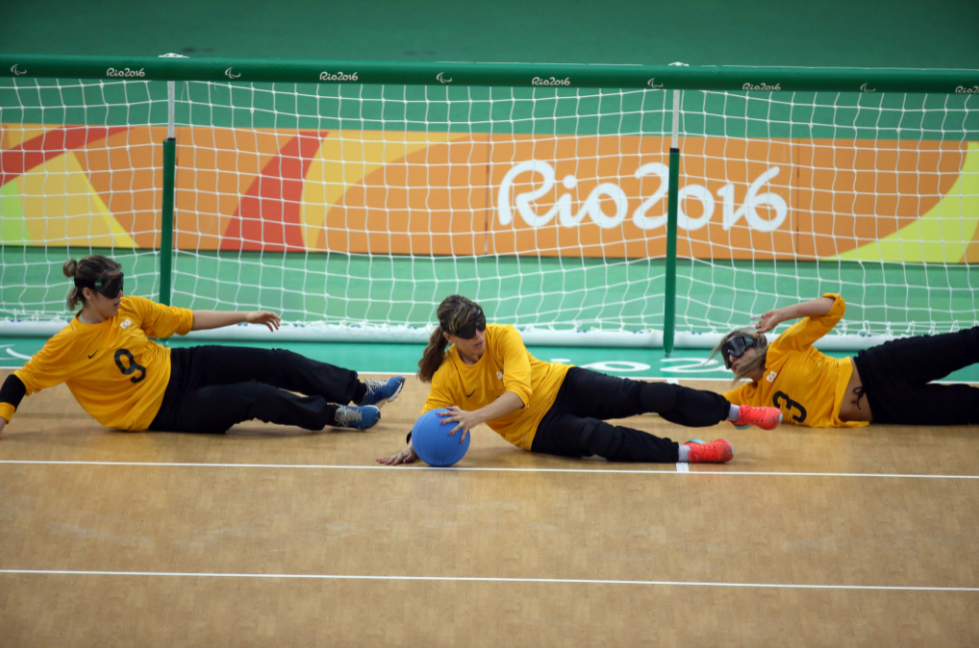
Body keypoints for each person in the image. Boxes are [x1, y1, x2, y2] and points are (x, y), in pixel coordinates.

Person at [0, 255, 405, 439]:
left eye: (122, 288)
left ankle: (358, 389)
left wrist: (244, 316)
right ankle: (335, 414)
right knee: (255, 396)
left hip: (183, 366)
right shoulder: (67, 344)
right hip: (163, 411)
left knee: (274, 361)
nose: (120, 297)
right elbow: (20, 381)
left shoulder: (130, 309)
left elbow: (186, 320)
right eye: (111, 293)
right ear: (87, 294)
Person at [377, 295, 784, 466]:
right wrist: (413, 446)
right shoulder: (448, 375)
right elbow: (432, 416)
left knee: (644, 393)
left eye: (480, 326)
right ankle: (690, 453)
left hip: (561, 384)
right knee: (597, 437)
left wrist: (473, 418)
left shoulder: (504, 336)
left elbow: (519, 393)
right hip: (535, 430)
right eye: (468, 333)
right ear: (450, 338)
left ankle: (736, 411)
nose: (479, 337)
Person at [713, 293, 979, 427]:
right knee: (968, 408)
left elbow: (834, 308)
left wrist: (783, 314)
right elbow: (707, 403)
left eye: (735, 347)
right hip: (885, 410)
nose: (732, 359)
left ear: (755, 343)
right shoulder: (749, 398)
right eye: (727, 358)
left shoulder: (782, 348)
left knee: (966, 345)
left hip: (880, 368)